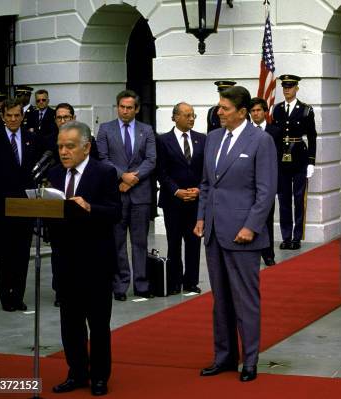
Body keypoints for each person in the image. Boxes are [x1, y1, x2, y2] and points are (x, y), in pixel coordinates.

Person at [194, 86, 277, 383]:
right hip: (215, 232)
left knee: (246, 301)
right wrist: (201, 217)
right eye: (219, 107)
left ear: (242, 112)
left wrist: (251, 226)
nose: (219, 112)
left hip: (243, 234)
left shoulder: (261, 141)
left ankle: (250, 360)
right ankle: (224, 357)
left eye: (225, 108)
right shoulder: (214, 138)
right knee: (221, 300)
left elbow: (266, 192)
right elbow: (206, 184)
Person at [48, 121, 120, 396]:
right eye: (60, 147)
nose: (64, 152)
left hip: (96, 262)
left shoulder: (104, 172)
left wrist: (90, 207)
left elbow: (115, 212)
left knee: (98, 324)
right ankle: (76, 372)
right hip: (65, 261)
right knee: (70, 322)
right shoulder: (54, 174)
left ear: (86, 147)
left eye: (69, 146)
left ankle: (100, 377)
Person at [96, 90, 156, 301]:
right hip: (116, 194)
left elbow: (151, 160)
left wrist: (133, 179)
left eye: (129, 107)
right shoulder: (105, 129)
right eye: (122, 107)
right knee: (117, 242)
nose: (125, 111)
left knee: (140, 242)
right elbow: (102, 158)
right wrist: (123, 176)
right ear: (117, 107)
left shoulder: (146, 130)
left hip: (140, 194)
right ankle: (120, 285)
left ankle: (141, 284)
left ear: (136, 109)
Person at [0, 99, 39, 312]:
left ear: (22, 116)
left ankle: (18, 296)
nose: (13, 119)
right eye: (9, 115)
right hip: (2, 207)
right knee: (5, 254)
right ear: (2, 116)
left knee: (22, 253)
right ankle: (6, 297)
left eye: (17, 115)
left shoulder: (32, 139)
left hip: (25, 207)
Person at [156, 102, 205, 294]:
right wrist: (176, 191)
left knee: (194, 242)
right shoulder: (163, 140)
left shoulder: (202, 139)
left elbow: (206, 171)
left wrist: (199, 189)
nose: (191, 118)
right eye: (187, 115)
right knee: (174, 242)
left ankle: (191, 281)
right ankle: (175, 280)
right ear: (175, 117)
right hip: (173, 201)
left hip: (195, 201)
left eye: (193, 115)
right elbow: (161, 171)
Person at [272, 74, 316, 250]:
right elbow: (275, 135)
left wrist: (311, 161)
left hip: (299, 159)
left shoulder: (305, 109)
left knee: (298, 199)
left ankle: (297, 237)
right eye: (284, 87)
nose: (287, 90)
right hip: (281, 160)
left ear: (297, 88)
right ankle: (286, 236)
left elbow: (312, 136)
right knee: (283, 200)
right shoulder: (277, 109)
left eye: (290, 86)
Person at [249, 97, 280, 266]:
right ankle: (252, 252)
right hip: (248, 183)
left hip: (267, 183)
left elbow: (278, 160)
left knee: (266, 219)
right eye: (252, 111)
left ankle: (268, 255)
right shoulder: (245, 131)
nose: (255, 113)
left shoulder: (275, 131)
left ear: (265, 112)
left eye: (258, 110)